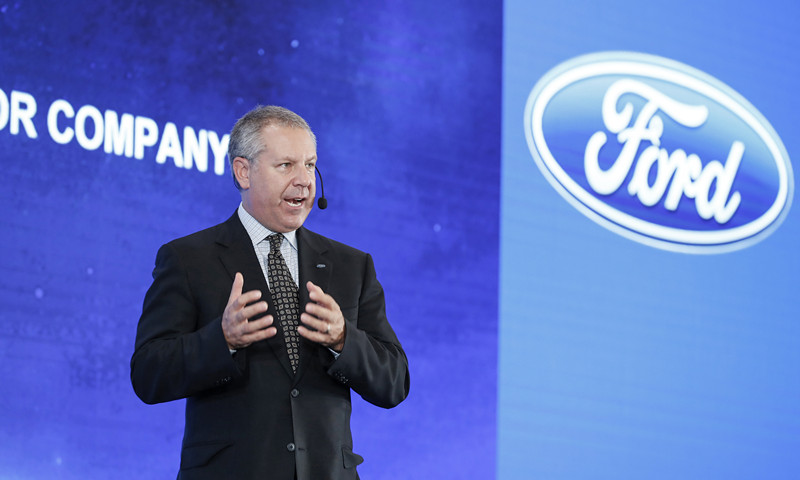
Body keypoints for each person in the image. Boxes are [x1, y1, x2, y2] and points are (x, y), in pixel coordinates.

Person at [130, 105, 410, 480]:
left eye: (310, 165)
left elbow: (394, 382)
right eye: (286, 165)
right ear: (243, 172)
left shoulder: (352, 265)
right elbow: (148, 374)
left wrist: (344, 339)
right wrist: (221, 340)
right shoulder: (188, 259)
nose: (304, 181)